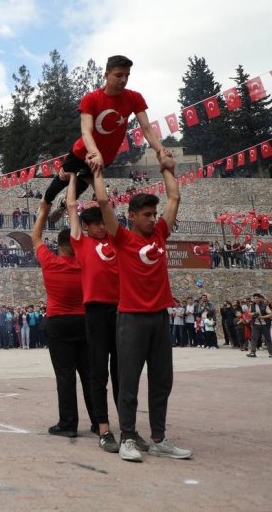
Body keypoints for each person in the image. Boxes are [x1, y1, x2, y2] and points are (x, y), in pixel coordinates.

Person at [93, 163, 193, 462]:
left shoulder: (161, 234)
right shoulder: (122, 238)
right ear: (132, 216)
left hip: (159, 317)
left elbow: (174, 198)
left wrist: (167, 169)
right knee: (129, 382)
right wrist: (97, 173)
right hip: (131, 318)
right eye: (146, 215)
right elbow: (102, 202)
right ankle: (127, 439)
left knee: (162, 381)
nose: (152, 219)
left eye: (153, 214)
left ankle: (159, 439)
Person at [43, 55, 175, 222]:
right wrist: (94, 152)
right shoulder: (91, 99)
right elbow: (86, 131)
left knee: (80, 186)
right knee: (58, 183)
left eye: (127, 75)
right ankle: (45, 204)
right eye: (119, 75)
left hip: (105, 157)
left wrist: (160, 150)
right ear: (106, 75)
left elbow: (147, 128)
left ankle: (63, 205)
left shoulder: (134, 98)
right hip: (82, 152)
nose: (124, 79)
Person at [65, 175, 120, 453]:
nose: (100, 227)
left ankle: (130, 429)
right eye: (95, 224)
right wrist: (74, 177)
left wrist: (97, 175)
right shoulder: (81, 243)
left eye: (102, 222)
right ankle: (104, 429)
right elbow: (71, 204)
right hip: (96, 312)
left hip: (121, 311)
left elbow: (104, 201)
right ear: (85, 227)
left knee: (122, 372)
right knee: (98, 373)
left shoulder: (115, 238)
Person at [31, 202, 95, 439]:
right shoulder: (85, 263)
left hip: (58, 321)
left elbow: (35, 237)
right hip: (84, 321)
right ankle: (100, 422)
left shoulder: (50, 262)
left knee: (65, 375)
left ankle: (68, 424)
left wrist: (43, 212)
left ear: (58, 246)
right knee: (89, 374)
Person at [246, 293, 272, 358]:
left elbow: (270, 314)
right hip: (256, 324)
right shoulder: (251, 305)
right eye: (254, 298)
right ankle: (252, 352)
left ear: (260, 298)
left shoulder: (265, 305)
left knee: (268, 339)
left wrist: (262, 317)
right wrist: (253, 314)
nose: (255, 299)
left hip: (265, 324)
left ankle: (271, 353)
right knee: (254, 339)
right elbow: (249, 313)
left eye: (257, 298)